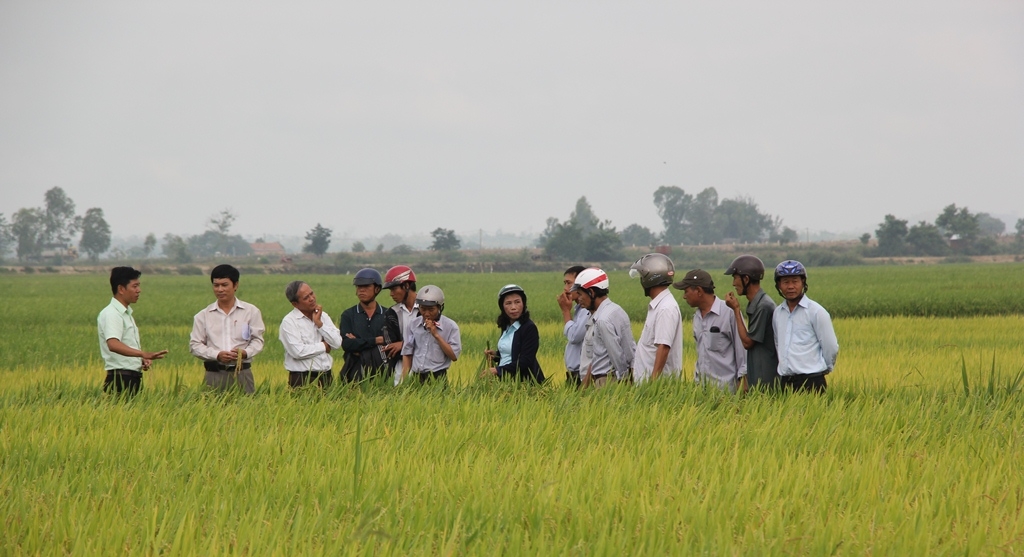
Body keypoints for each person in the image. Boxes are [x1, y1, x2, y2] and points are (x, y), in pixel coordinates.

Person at [188, 264, 266, 394]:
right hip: (214, 374)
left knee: (247, 411)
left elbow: (258, 340)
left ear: (235, 285)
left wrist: (245, 353)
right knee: (211, 411)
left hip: (243, 373)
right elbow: (195, 345)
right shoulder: (203, 315)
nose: (220, 289)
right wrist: (217, 355)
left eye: (224, 285)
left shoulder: (251, 312)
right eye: (216, 285)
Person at [96, 266, 168, 395]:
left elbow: (124, 346)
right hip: (120, 380)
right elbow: (113, 344)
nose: (139, 290)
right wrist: (142, 354)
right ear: (121, 289)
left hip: (131, 378)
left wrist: (139, 360)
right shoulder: (112, 314)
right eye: (135, 286)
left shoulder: (126, 314)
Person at [772, 260, 839, 393]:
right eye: (785, 282)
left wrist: (825, 368)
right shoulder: (778, 313)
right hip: (786, 382)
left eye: (795, 281)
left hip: (812, 382)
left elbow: (830, 346)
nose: (790, 286)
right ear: (779, 285)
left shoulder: (816, 312)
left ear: (803, 283)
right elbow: (778, 343)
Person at [675, 269, 746, 392]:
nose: (684, 296)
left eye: (686, 291)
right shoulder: (697, 317)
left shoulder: (729, 312)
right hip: (703, 392)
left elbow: (742, 351)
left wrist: (743, 382)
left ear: (698, 291)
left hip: (727, 392)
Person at [723, 255, 780, 391]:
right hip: (758, 376)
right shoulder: (758, 303)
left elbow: (748, 342)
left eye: (735, 278)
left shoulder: (763, 306)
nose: (733, 283)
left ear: (746, 279)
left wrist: (736, 310)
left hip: (766, 381)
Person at [571, 268, 635, 387]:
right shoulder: (617, 310)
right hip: (613, 379)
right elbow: (630, 350)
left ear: (591, 292)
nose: (578, 299)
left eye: (580, 294)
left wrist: (625, 382)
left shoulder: (602, 320)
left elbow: (616, 354)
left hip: (606, 382)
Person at [339, 268, 401, 382]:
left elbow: (392, 343)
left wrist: (359, 343)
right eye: (358, 287)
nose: (361, 290)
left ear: (377, 289)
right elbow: (347, 344)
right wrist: (376, 341)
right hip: (353, 374)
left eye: (366, 287)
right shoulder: (348, 315)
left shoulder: (389, 315)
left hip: (384, 373)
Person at [629, 253, 683, 384]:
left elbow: (663, 347)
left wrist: (653, 384)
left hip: (657, 387)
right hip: (646, 385)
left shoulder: (666, 308)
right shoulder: (659, 306)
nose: (641, 281)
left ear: (650, 278)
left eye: (642, 277)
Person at [280, 280, 342, 388]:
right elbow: (298, 352)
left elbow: (337, 343)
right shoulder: (289, 322)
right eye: (306, 298)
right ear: (295, 304)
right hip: (302, 379)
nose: (312, 299)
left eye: (311, 293)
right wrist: (324, 346)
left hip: (326, 377)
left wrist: (319, 324)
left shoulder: (323, 317)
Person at [484, 284, 545, 382]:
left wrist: (498, 370)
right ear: (502, 307)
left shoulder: (529, 328)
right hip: (506, 381)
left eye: (517, 302)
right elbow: (511, 354)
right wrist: (495, 355)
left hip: (524, 383)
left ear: (523, 304)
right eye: (508, 303)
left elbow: (525, 361)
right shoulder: (506, 326)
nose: (513, 307)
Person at [401, 285, 461, 383]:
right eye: (423, 309)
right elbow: (407, 353)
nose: (426, 314)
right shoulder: (413, 325)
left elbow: (454, 356)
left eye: (431, 310)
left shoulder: (450, 326)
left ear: (440, 308)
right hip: (416, 377)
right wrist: (404, 381)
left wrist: (436, 335)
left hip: (437, 377)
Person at [383, 265, 418, 386]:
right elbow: (391, 348)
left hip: (425, 367)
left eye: (394, 289)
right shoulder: (391, 313)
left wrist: (403, 344)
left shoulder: (429, 308)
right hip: (400, 369)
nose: (391, 294)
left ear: (407, 286)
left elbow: (431, 342)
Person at [556, 265, 589, 387]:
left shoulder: (587, 311)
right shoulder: (579, 309)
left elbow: (574, 336)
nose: (565, 289)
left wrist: (565, 311)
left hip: (583, 376)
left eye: (569, 283)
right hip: (573, 375)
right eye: (565, 283)